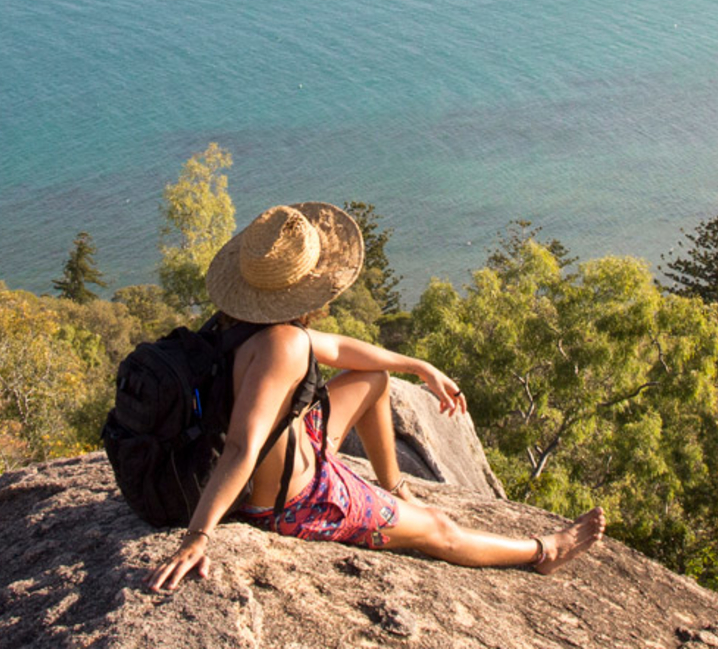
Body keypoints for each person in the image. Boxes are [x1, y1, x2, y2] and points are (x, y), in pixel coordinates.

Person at [146, 202, 605, 593]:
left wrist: (419, 367)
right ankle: (545, 550)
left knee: (374, 380)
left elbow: (343, 350)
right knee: (438, 531)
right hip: (294, 499)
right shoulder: (282, 345)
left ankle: (395, 487)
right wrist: (198, 535)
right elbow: (242, 447)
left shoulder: (235, 325)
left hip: (286, 460)